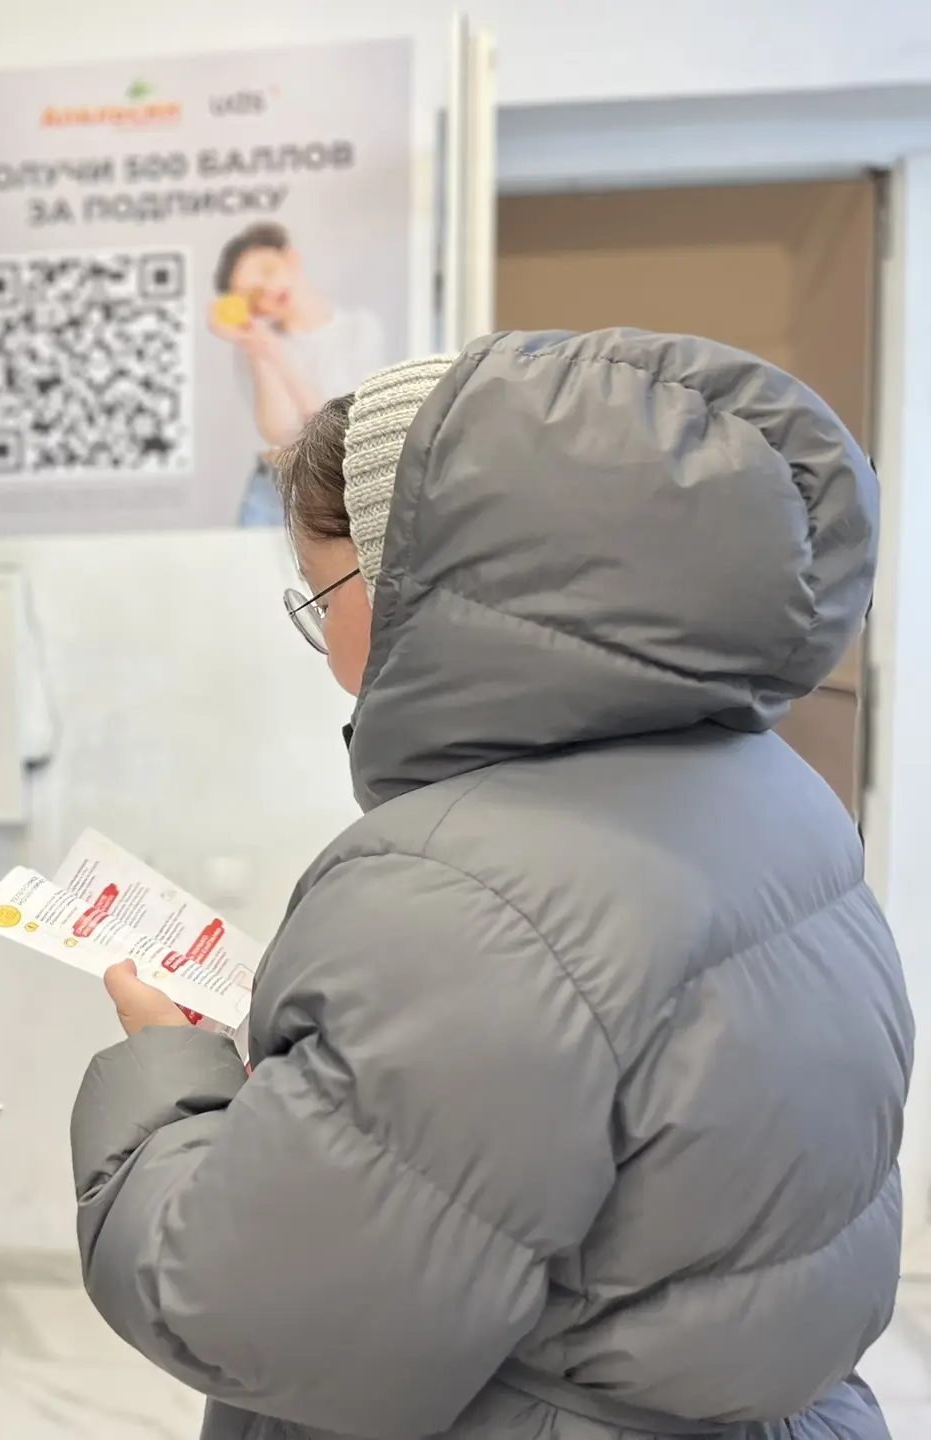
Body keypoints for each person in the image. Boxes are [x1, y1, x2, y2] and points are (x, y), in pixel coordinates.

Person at [70, 330, 911, 1438]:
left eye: (319, 596)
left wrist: (165, 1072)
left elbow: (252, 1317)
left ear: (419, 580)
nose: (324, 641)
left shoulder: (459, 890)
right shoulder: (777, 793)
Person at [207, 221, 386, 527]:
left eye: (267, 272)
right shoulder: (252, 348)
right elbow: (283, 432)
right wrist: (257, 345)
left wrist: (274, 351)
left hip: (336, 491)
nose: (269, 292)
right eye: (252, 295)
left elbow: (333, 428)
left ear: (290, 258)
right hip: (270, 493)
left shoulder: (359, 329)